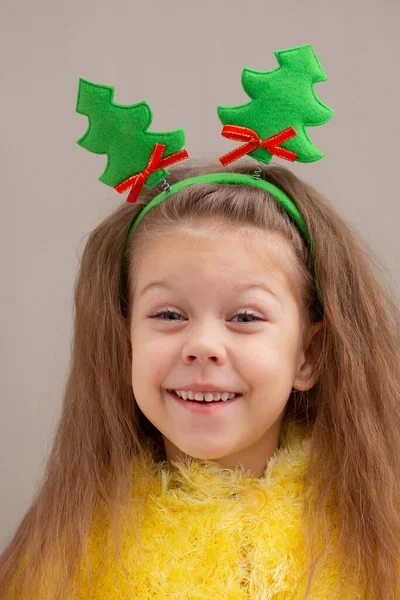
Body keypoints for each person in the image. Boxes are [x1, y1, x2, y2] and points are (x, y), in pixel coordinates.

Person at [1, 157, 399, 599]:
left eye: (245, 316)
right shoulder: (62, 562)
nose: (203, 344)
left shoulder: (378, 545)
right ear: (124, 345)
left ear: (309, 354)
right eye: (169, 314)